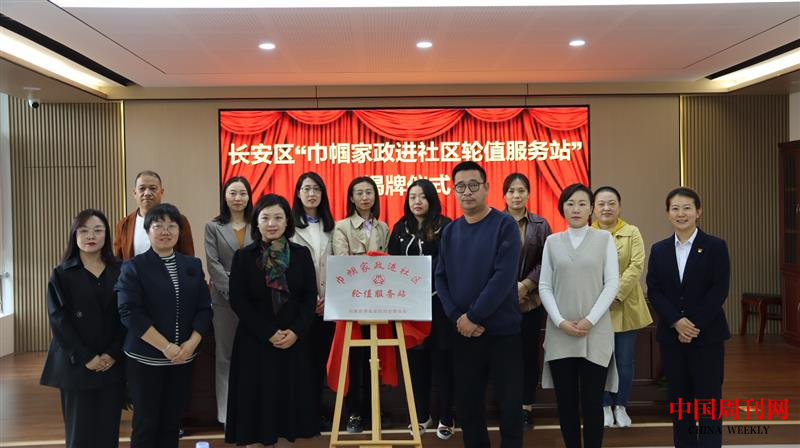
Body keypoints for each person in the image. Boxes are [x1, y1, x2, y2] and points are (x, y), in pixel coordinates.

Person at [435, 161, 523, 448]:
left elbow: (503, 277)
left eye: (474, 185)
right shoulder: (450, 231)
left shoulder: (505, 225)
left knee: (510, 406)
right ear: (454, 191)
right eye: (460, 186)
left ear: (486, 188)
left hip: (502, 333)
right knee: (469, 406)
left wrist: (473, 315)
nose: (467, 192)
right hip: (464, 334)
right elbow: (441, 278)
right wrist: (458, 317)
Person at [225, 194, 319, 447]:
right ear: (256, 221)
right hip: (255, 343)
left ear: (287, 221)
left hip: (292, 343)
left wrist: (295, 332)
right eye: (265, 218)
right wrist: (268, 332)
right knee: (255, 410)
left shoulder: (301, 254)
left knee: (288, 414)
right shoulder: (243, 257)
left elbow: (309, 297)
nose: (271, 223)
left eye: (278, 217)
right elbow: (238, 301)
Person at [116, 203, 213, 448]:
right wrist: (166, 347)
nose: (165, 231)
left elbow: (204, 308)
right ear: (148, 231)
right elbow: (130, 313)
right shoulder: (133, 267)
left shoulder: (192, 265)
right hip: (145, 359)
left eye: (172, 226)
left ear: (180, 231)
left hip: (182, 359)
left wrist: (191, 344)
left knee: (172, 423)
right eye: (158, 226)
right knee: (146, 424)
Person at [646, 187, 730, 448]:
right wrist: (676, 321)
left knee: (708, 401)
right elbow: (654, 290)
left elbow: (719, 290)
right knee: (680, 402)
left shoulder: (715, 246)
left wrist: (693, 326)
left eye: (687, 208)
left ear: (698, 212)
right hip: (672, 338)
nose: (681, 214)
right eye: (675, 209)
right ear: (668, 213)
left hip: (707, 336)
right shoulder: (659, 250)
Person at [539, 183, 620, 448]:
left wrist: (590, 320)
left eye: (582, 204)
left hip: (595, 332)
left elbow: (612, 283)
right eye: (570, 203)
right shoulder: (552, 242)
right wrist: (560, 321)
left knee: (593, 402)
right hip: (560, 333)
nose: (576, 209)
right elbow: (544, 286)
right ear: (562, 207)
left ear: (591, 208)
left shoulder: (604, 239)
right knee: (566, 403)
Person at [40, 209, 125, 448]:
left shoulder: (122, 270)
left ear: (106, 235)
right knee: (80, 434)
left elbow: (127, 315)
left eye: (98, 230)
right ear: (74, 235)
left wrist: (113, 353)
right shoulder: (61, 273)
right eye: (84, 231)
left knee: (108, 431)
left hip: (111, 362)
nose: (91, 236)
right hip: (76, 363)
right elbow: (58, 320)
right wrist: (85, 356)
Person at [388, 179, 454, 440]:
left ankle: (446, 416)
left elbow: (449, 261)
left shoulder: (446, 226)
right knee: (416, 363)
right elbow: (392, 262)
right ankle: (422, 415)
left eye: (422, 197)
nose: (417, 202)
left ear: (432, 199)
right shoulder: (400, 227)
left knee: (443, 362)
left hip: (439, 304)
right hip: (410, 307)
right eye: (412, 197)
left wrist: (424, 276)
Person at [332, 176, 390, 433]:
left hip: (379, 303)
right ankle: (354, 412)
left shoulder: (383, 227)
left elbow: (389, 265)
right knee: (354, 359)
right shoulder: (342, 227)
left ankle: (373, 409)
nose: (365, 197)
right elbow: (342, 264)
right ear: (351, 198)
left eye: (369, 192)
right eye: (360, 193)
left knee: (374, 358)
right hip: (353, 303)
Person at [592, 186, 653, 428]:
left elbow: (636, 266)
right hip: (596, 308)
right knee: (599, 361)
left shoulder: (632, 232)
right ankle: (604, 405)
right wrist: (601, 299)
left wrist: (614, 295)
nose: (606, 208)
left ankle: (621, 405)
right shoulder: (587, 234)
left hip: (625, 305)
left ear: (619, 206)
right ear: (593, 208)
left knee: (625, 361)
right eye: (601, 204)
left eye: (611, 203)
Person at [502, 173, 551, 432]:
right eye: (511, 191)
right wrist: (506, 289)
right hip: (500, 304)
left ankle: (526, 407)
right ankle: (508, 406)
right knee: (504, 357)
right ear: (504, 195)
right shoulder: (494, 222)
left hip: (530, 302)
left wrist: (525, 285)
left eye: (521, 190)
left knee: (528, 356)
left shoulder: (540, 225)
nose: (516, 195)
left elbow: (547, 260)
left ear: (528, 194)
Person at [204, 176, 254, 425]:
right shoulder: (213, 226)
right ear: (225, 196)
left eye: (242, 193)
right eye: (233, 193)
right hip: (225, 300)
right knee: (225, 356)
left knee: (254, 355)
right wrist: (234, 291)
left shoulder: (259, 223)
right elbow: (213, 264)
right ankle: (226, 415)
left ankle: (252, 410)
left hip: (256, 300)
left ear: (249, 197)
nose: (238, 198)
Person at [290, 172, 336, 432]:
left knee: (319, 364)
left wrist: (329, 297)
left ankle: (316, 413)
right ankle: (299, 415)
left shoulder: (333, 226)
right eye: (306, 189)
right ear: (298, 193)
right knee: (299, 363)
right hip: (298, 307)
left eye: (316, 189)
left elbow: (339, 265)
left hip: (327, 306)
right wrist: (307, 300)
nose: (311, 194)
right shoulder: (289, 226)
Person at [114, 170, 194, 260]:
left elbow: (188, 258)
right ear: (135, 193)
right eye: (142, 188)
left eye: (153, 188)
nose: (147, 193)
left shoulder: (178, 220)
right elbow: (118, 261)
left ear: (161, 192)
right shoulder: (124, 224)